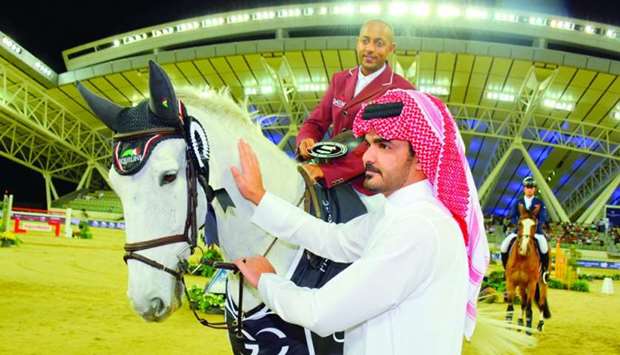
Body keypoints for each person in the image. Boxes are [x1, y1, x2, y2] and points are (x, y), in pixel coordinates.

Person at [230, 89, 489, 354]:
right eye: (369, 143)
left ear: (423, 157)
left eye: (384, 145)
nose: (367, 157)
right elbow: (332, 238)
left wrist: (267, 281)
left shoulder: (419, 228)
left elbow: (320, 312)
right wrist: (259, 197)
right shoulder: (400, 216)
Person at [296, 19, 413, 192]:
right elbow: (315, 122)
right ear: (357, 43)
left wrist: (329, 171)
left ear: (391, 49)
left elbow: (384, 146)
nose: (370, 49)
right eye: (365, 41)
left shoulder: (401, 90)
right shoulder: (340, 79)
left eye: (379, 43)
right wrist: (305, 139)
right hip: (328, 171)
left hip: (370, 187)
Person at [500, 176, 550, 282]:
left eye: (532, 187)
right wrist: (517, 225)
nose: (530, 189)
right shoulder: (518, 202)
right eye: (528, 187)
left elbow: (543, 217)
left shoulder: (539, 203)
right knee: (504, 245)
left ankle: (544, 271)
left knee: (544, 246)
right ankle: (506, 270)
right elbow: (512, 215)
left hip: (535, 232)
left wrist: (536, 227)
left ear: (534, 189)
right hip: (520, 231)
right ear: (524, 188)